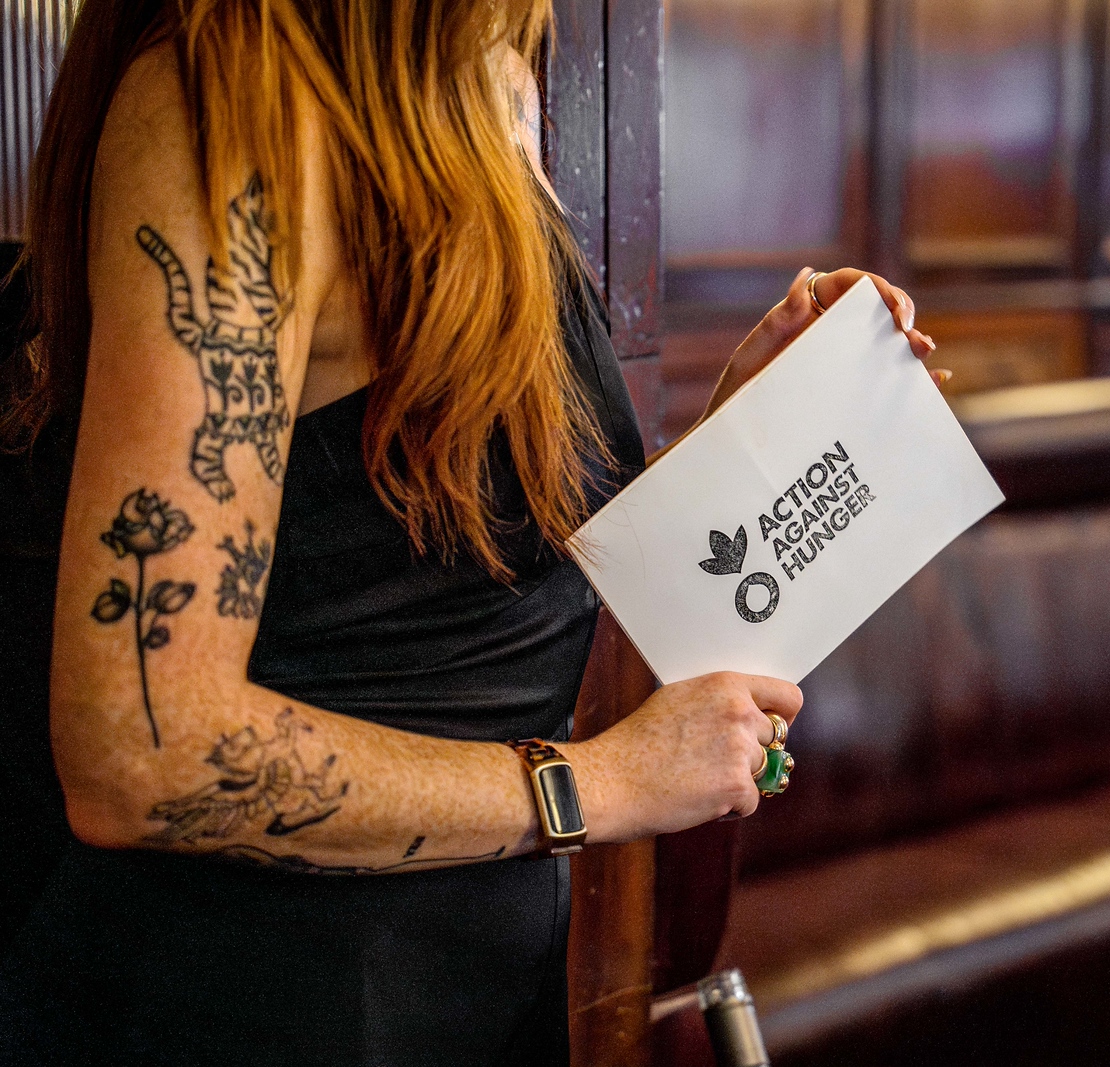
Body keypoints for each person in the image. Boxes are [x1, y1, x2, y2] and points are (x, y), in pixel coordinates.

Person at [0, 1, 943, 1063]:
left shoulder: (493, 72)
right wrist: (605, 781)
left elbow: (458, 568)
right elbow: (142, 754)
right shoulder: (235, 98)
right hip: (251, 1004)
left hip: (482, 985)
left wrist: (754, 430)